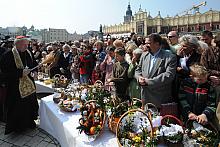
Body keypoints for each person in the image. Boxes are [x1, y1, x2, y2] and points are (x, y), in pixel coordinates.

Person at [0, 36, 39, 134]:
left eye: (27, 44)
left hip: (29, 86)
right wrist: (20, 73)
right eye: (24, 44)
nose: (27, 47)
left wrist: (35, 72)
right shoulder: (8, 55)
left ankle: (30, 121)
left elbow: (34, 64)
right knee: (18, 108)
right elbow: (4, 73)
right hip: (15, 88)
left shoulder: (28, 53)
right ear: (17, 44)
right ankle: (18, 127)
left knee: (30, 105)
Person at [135, 33, 177, 108]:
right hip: (145, 98)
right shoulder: (144, 55)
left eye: (149, 43)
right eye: (145, 43)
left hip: (160, 100)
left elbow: (169, 75)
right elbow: (138, 70)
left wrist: (148, 82)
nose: (146, 45)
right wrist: (139, 78)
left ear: (157, 44)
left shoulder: (169, 57)